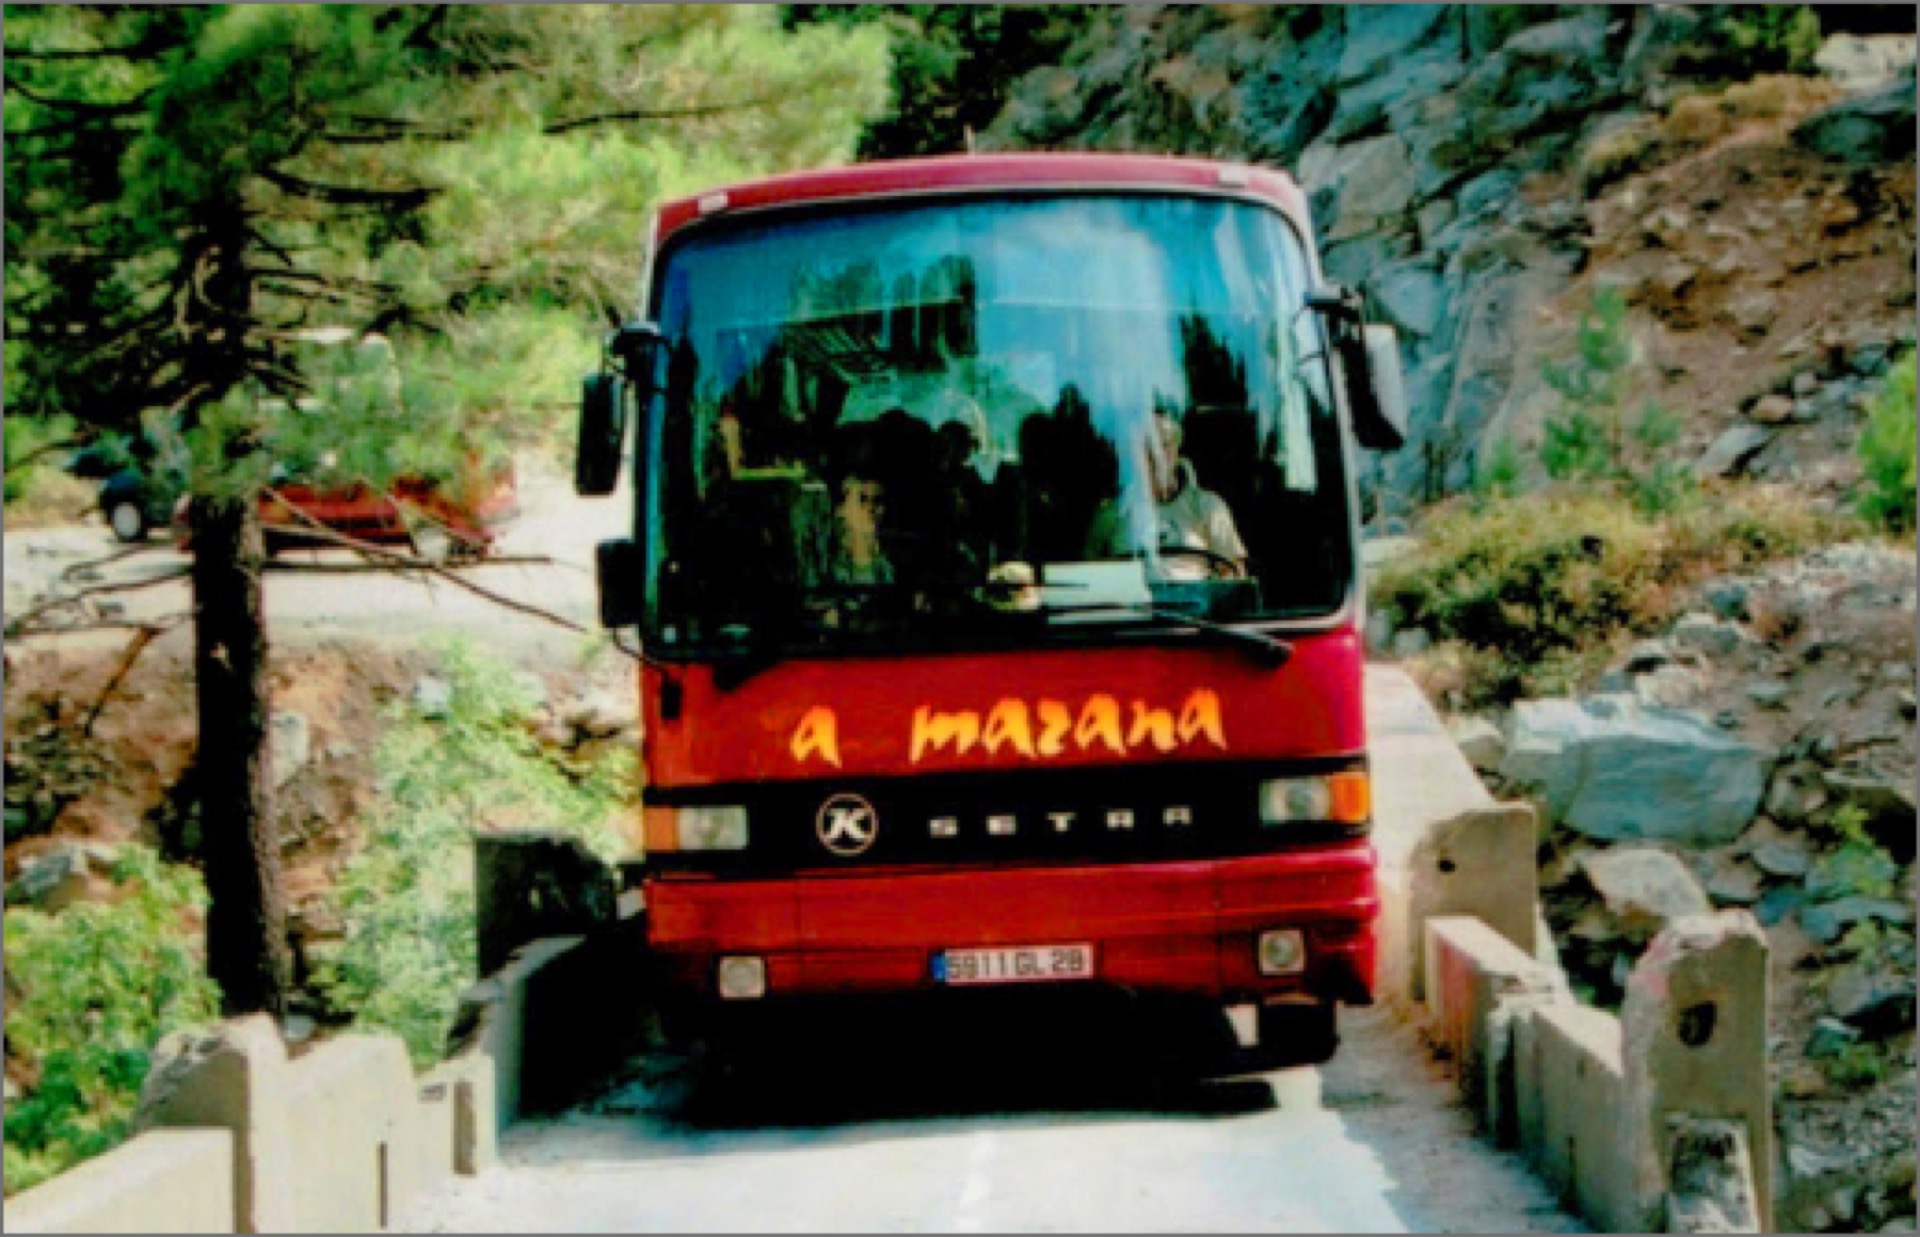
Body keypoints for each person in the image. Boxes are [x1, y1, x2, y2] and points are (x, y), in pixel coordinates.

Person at [1088, 411, 1248, 581]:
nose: (1156, 455)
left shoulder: (1208, 507)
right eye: (1146, 447)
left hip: (1196, 602)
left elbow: (1233, 575)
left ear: (1177, 448)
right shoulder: (1111, 514)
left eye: (1164, 445)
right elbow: (1091, 579)